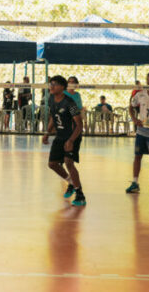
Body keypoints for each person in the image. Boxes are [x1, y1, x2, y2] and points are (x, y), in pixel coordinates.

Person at [41, 75, 86, 207]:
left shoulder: (70, 103)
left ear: (62, 87)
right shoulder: (51, 99)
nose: (51, 86)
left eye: (54, 84)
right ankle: (71, 182)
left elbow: (79, 125)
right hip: (60, 136)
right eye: (50, 84)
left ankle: (80, 194)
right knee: (52, 164)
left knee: (68, 162)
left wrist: (71, 140)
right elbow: (53, 117)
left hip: (73, 136)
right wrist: (47, 132)